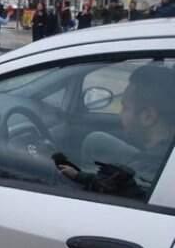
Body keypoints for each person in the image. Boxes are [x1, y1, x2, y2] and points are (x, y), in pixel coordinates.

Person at [59, 65, 175, 200]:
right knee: (96, 140)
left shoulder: (144, 173)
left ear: (147, 116)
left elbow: (110, 187)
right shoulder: (162, 152)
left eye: (125, 108)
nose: (120, 114)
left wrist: (79, 177)